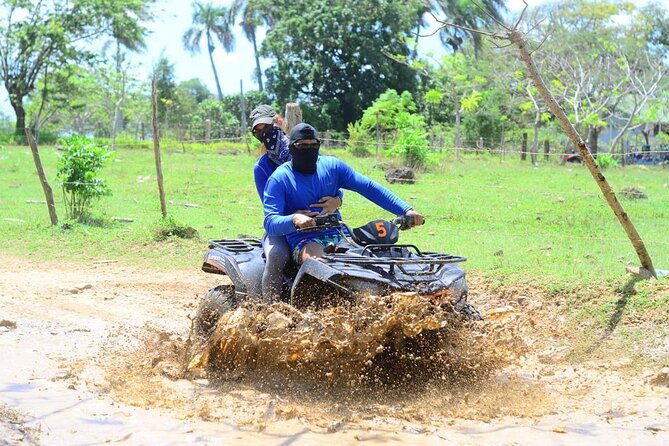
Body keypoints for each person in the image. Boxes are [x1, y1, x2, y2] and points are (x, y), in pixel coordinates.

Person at [263, 123, 424, 265]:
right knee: (320, 264)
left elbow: (368, 187)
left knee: (375, 261)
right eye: (302, 146)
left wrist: (405, 210)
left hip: (341, 234)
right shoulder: (280, 178)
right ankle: (274, 300)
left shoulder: (332, 167)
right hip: (304, 239)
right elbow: (270, 222)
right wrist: (294, 219)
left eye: (314, 145)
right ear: (292, 147)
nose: (309, 150)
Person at [249, 105, 342, 302]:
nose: (263, 134)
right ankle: (270, 307)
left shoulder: (306, 149)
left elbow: (331, 181)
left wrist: (338, 199)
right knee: (277, 255)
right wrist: (293, 216)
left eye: (266, 127)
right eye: (258, 131)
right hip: (284, 227)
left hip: (319, 222)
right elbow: (271, 210)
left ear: (278, 123)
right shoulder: (262, 168)